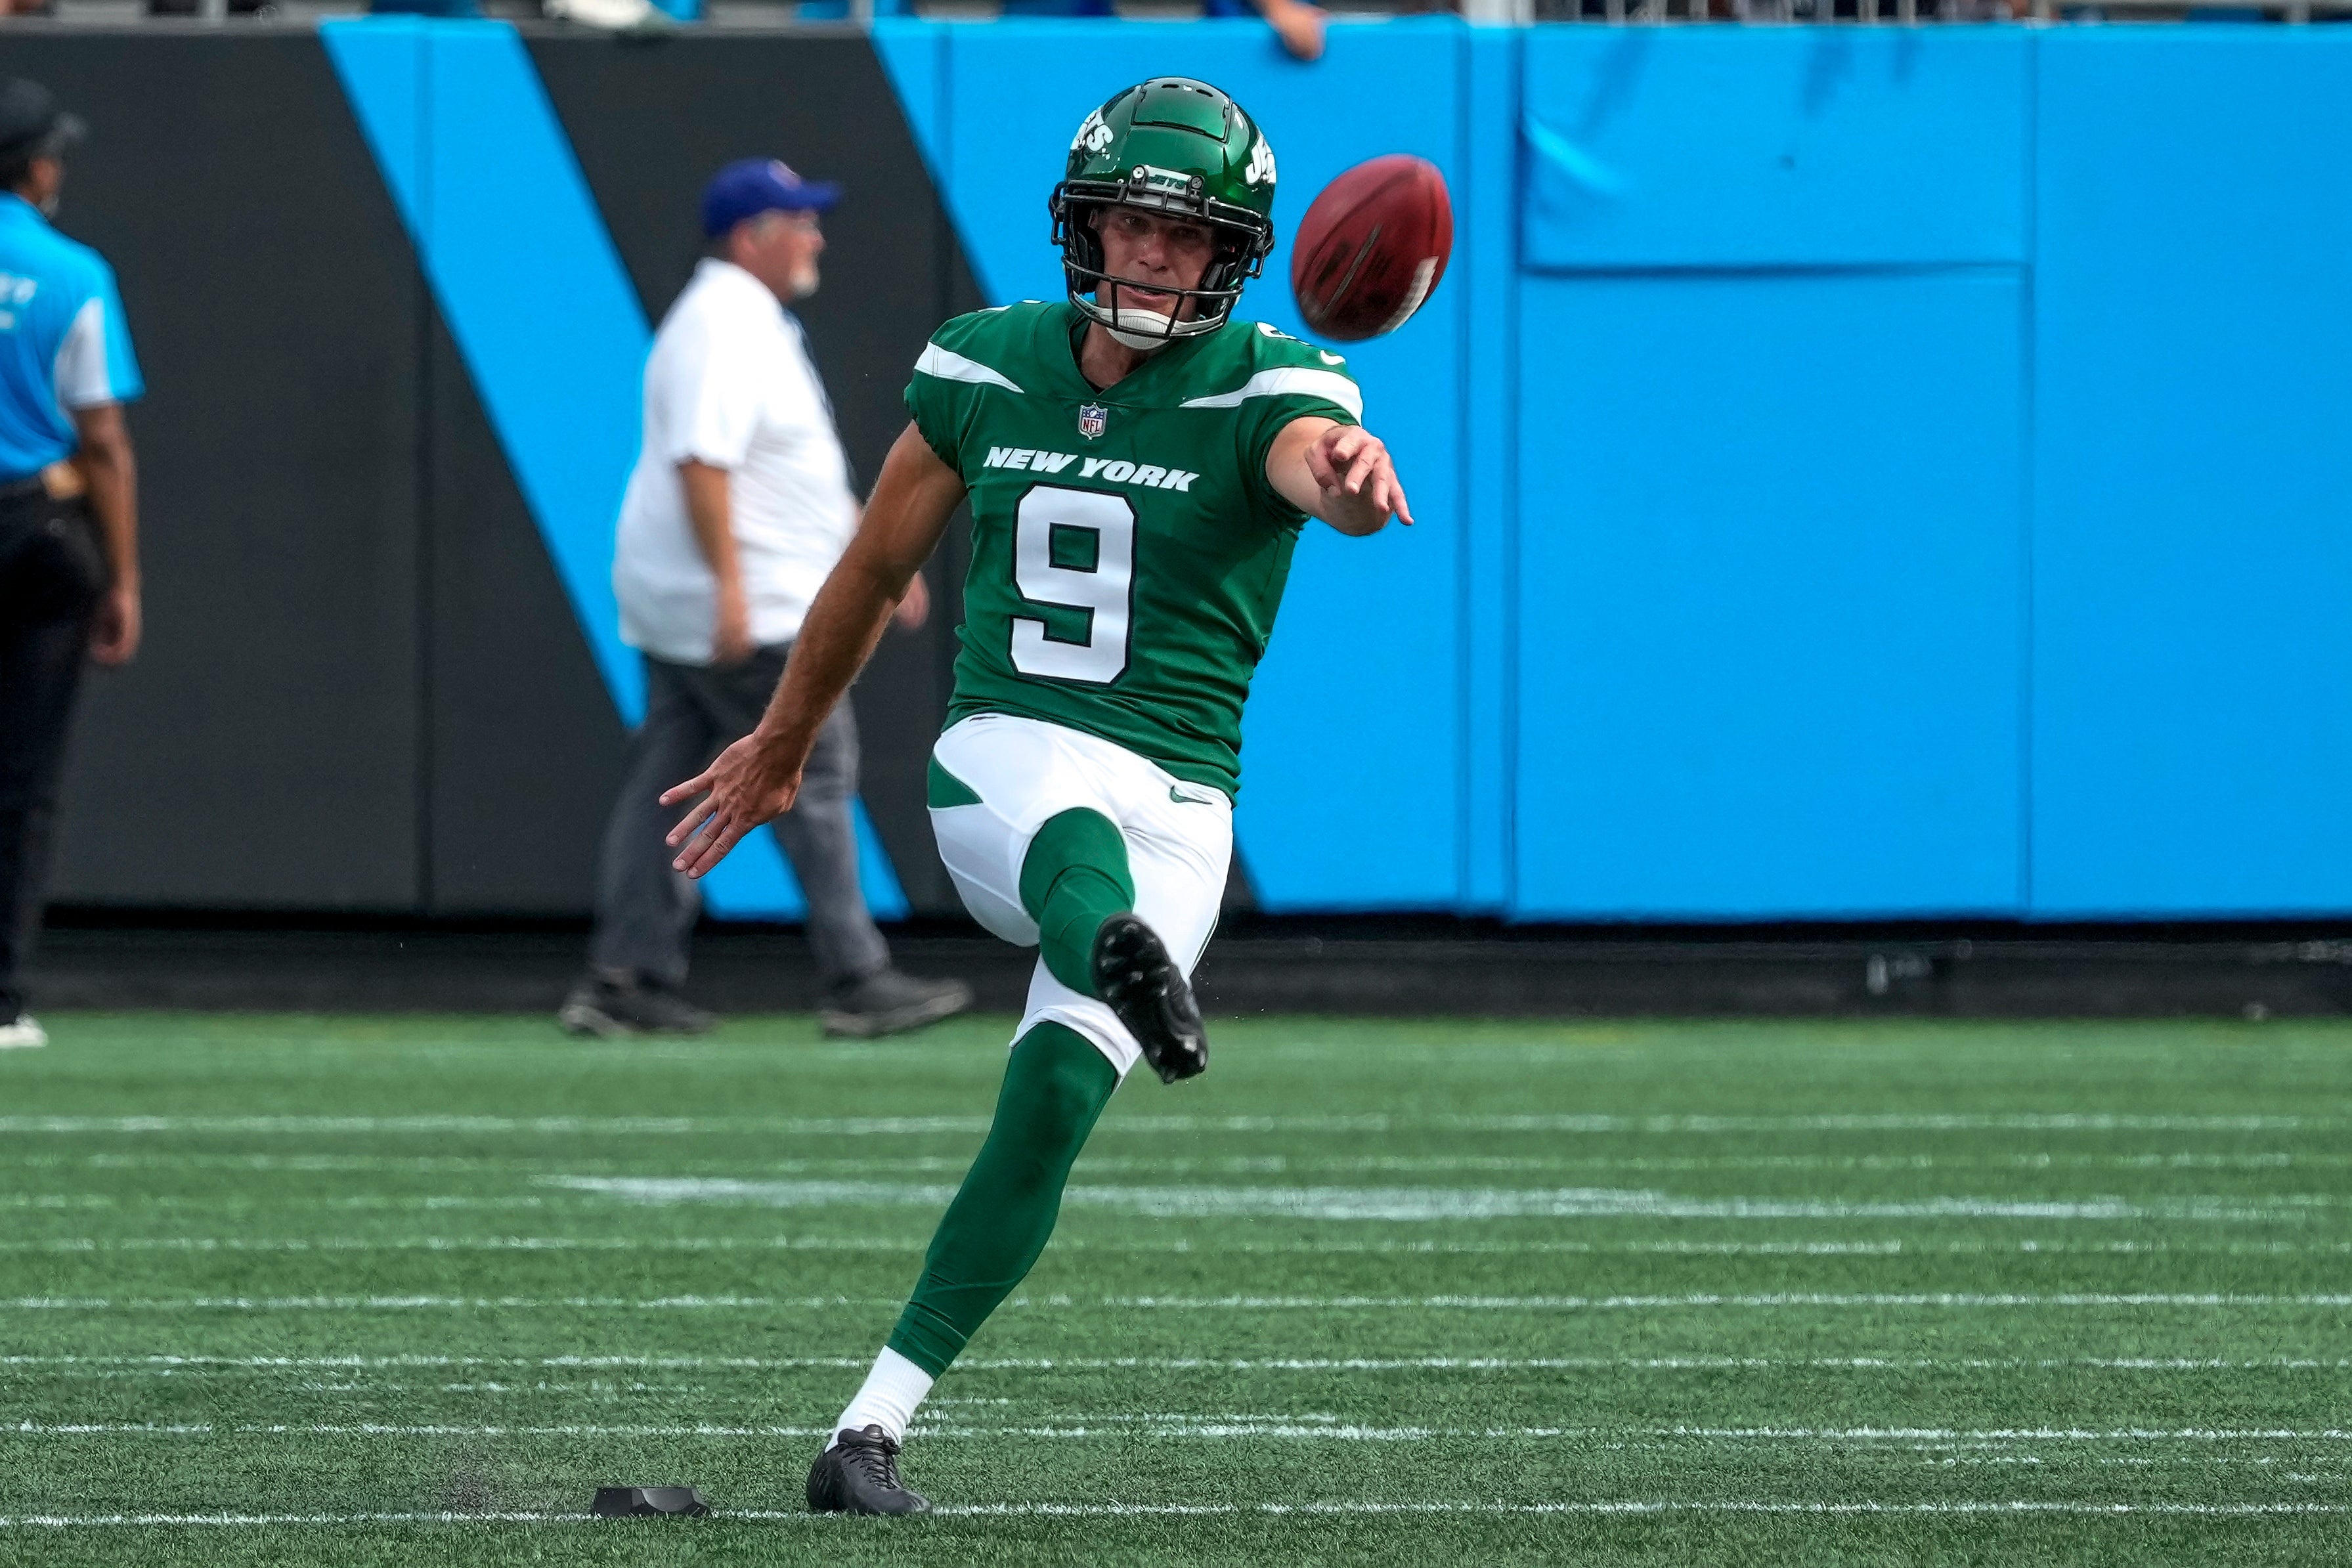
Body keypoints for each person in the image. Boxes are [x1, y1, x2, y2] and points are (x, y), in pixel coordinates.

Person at [661, 78, 1412, 1512]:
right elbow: (873, 570)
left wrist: (1360, 484)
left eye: (1189, 240)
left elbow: (1318, 468)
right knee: (1080, 865)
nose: (1154, 257)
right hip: (1008, 757)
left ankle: (868, 1434)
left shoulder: (1275, 383)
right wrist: (775, 742)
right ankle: (1116, 952)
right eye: (1134, 223)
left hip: (1184, 803)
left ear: (1234, 257)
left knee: (1056, 1099)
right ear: (1088, 223)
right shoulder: (989, 366)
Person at [560, 158, 970, 1042]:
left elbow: (789, 468)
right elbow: (703, 463)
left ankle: (625, 975)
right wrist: (731, 593)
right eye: (800, 221)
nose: (816, 237)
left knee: (670, 783)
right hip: (751, 600)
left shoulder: (741, 319)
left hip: (720, 592)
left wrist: (878, 559)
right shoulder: (723, 324)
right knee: (812, 768)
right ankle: (854, 974)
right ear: (752, 238)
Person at [0, 79, 142, 1053]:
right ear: (38, 166)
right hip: (34, 532)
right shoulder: (72, 271)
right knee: (24, 777)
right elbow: (104, 442)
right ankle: (4, 996)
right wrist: (124, 578)